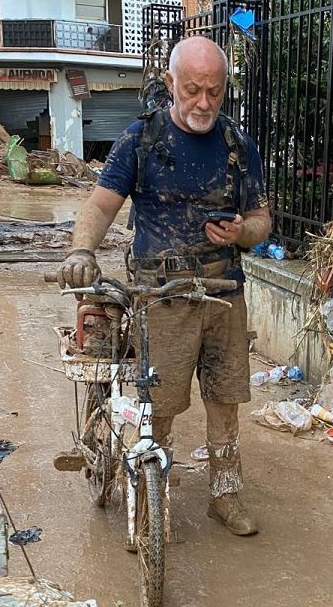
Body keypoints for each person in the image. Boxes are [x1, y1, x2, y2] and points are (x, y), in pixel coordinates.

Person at [58, 36, 271, 536]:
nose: (203, 102)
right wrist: (81, 250)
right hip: (162, 293)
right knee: (162, 401)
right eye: (192, 89)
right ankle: (152, 496)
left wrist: (243, 232)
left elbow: (263, 220)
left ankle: (225, 493)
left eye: (213, 92)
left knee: (224, 395)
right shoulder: (141, 140)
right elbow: (101, 206)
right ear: (171, 83)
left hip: (223, 290)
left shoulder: (238, 146)